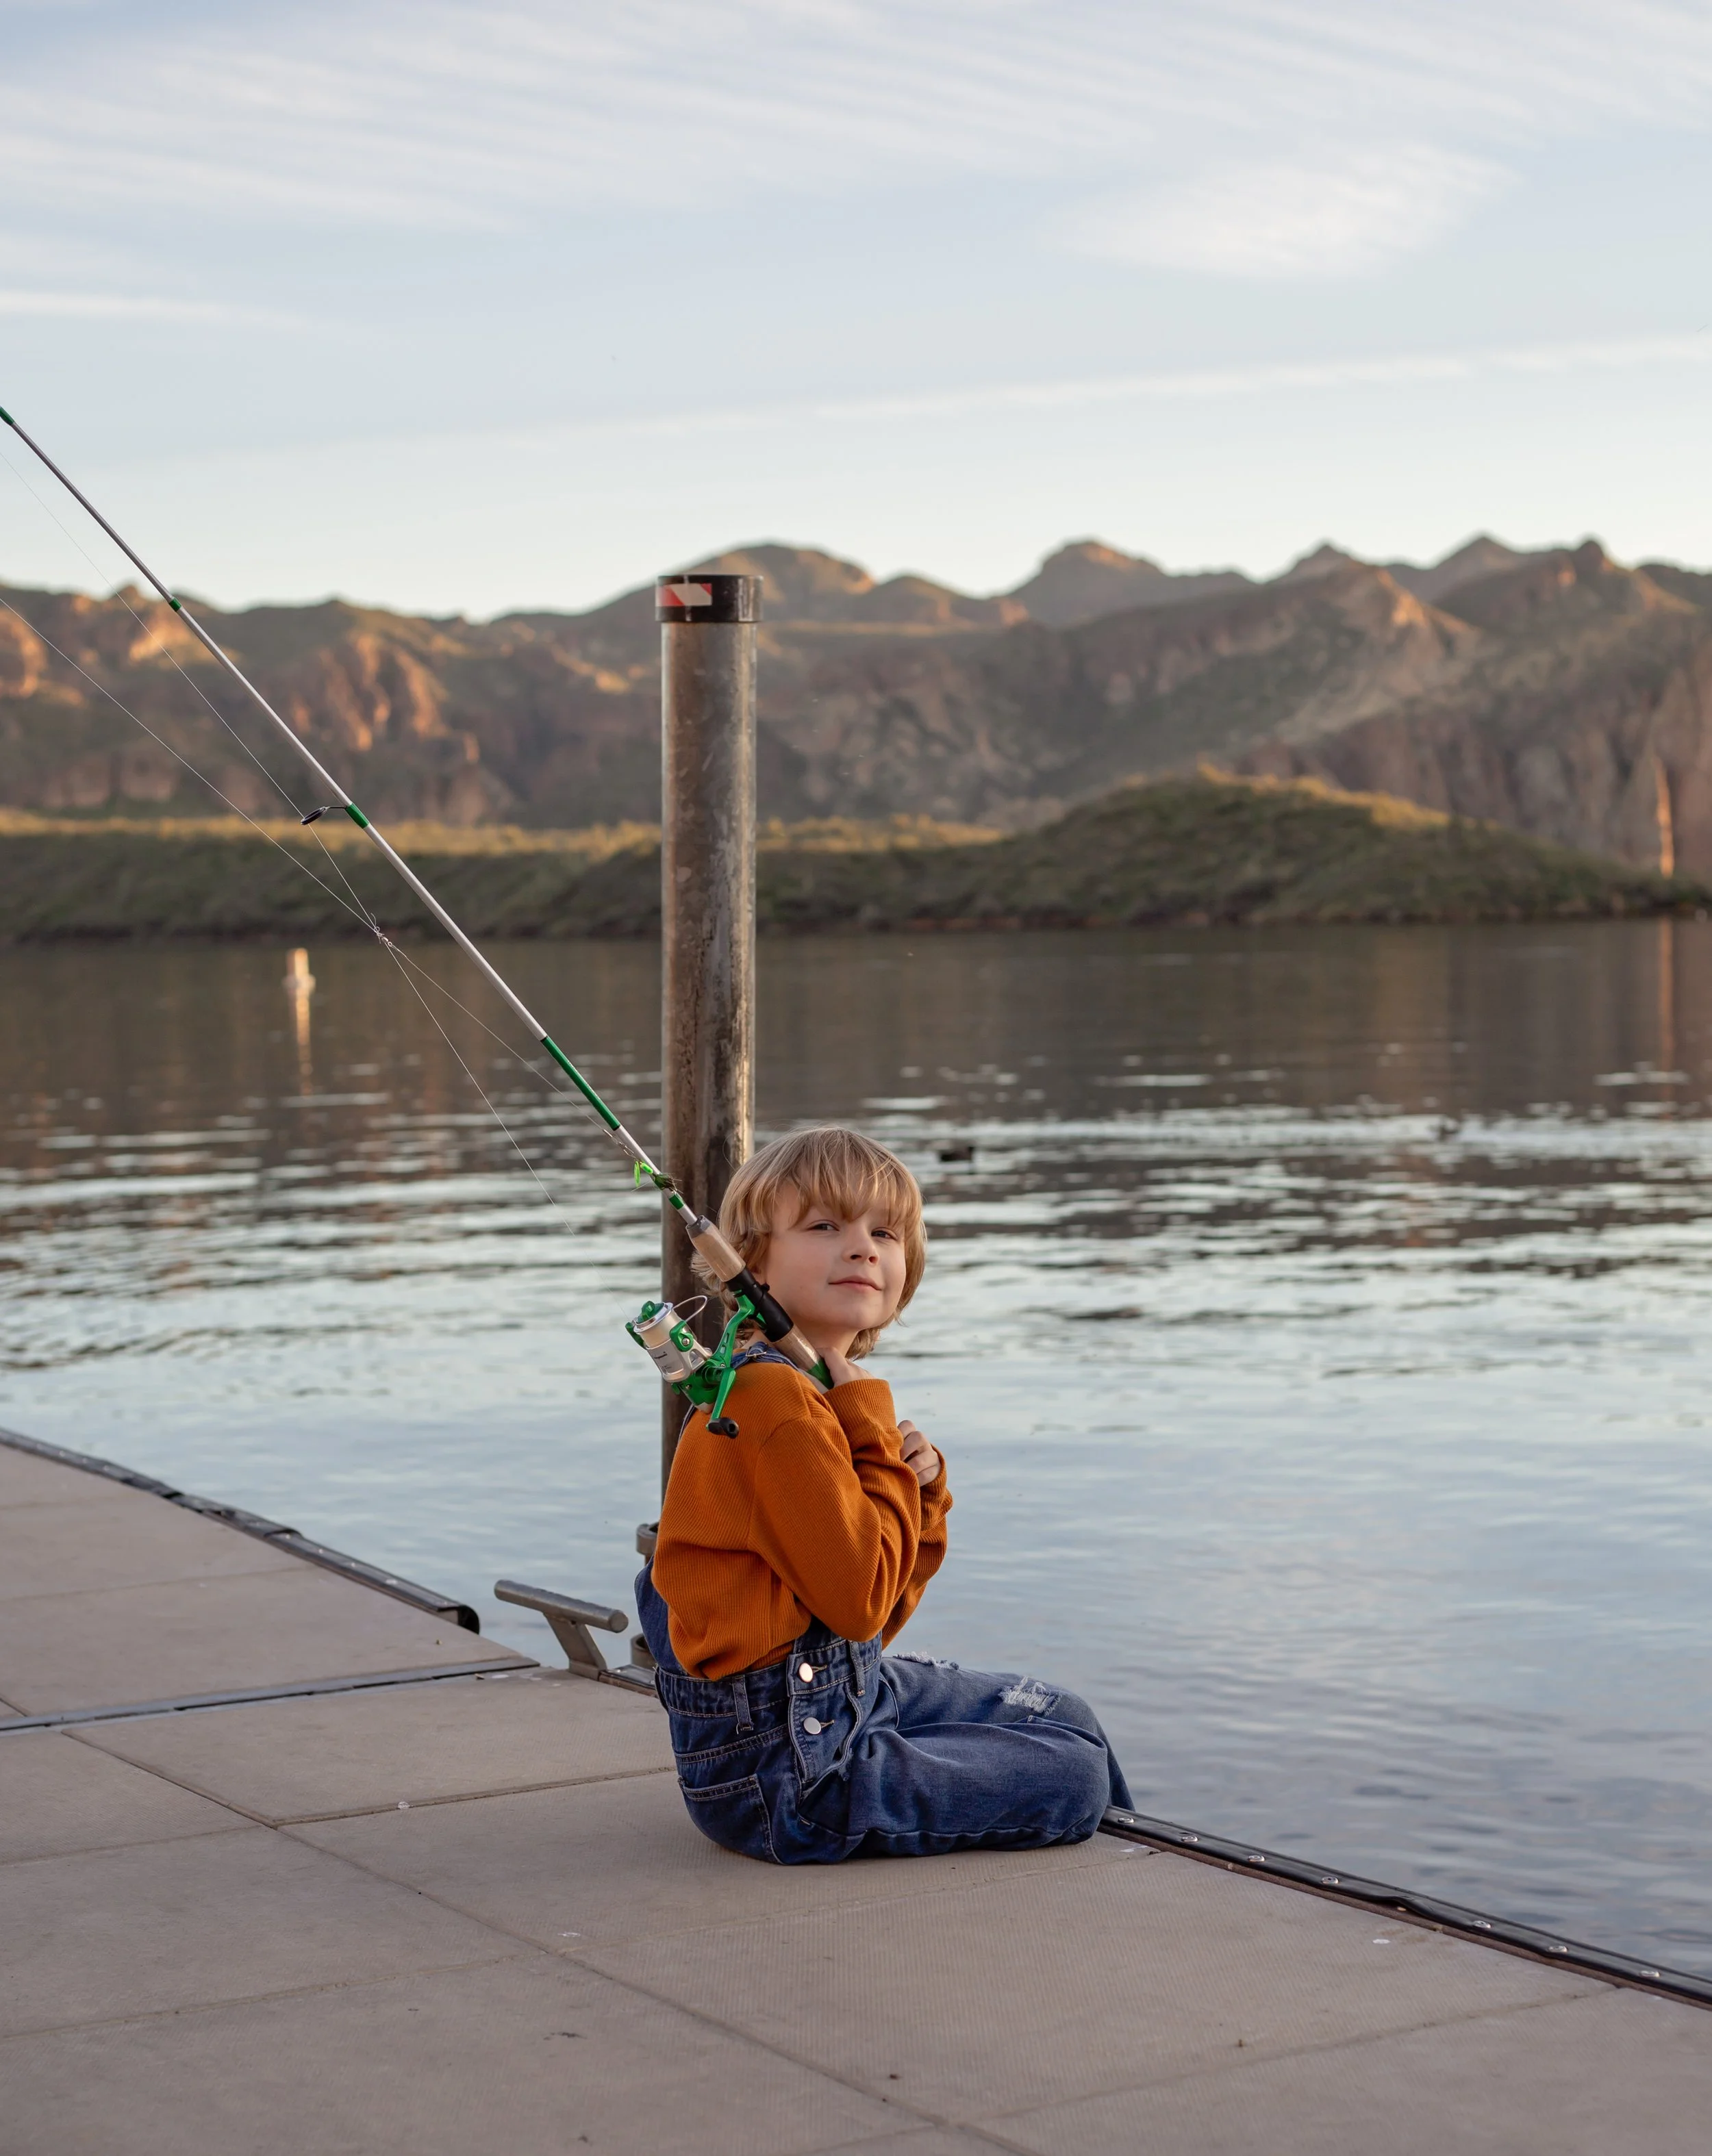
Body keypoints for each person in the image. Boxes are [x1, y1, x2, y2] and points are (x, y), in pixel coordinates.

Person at [635, 1124, 1131, 1864]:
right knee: (1075, 1771)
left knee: (1063, 1714)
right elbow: (861, 1599)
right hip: (787, 1779)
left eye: (885, 1231)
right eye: (824, 1225)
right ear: (752, 1265)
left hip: (837, 1694)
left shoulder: (808, 1393)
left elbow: (873, 1622)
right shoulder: (774, 1400)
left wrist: (919, 1492)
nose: (863, 1246)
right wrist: (871, 1427)